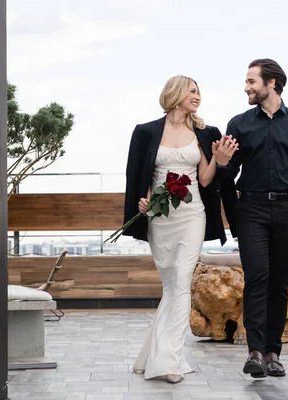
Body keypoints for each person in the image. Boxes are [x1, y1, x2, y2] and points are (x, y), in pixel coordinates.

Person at [122, 75, 238, 384]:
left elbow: (204, 179)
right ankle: (150, 356)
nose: (197, 96)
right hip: (161, 219)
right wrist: (143, 200)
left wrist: (220, 160)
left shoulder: (205, 131)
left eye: (199, 91)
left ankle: (169, 362)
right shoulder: (145, 132)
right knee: (172, 285)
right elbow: (139, 175)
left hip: (192, 216)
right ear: (175, 94)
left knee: (182, 282)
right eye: (192, 90)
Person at [216, 59, 288, 378]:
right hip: (252, 209)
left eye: (251, 81)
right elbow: (228, 175)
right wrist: (222, 164)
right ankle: (255, 352)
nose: (246, 87)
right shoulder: (239, 124)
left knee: (279, 282)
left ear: (271, 83)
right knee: (258, 275)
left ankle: (274, 353)